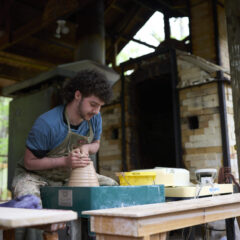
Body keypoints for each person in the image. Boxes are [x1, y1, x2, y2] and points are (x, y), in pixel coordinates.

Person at [12, 69, 118, 205]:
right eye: (93, 104)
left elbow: (96, 144)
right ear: (78, 95)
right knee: (29, 200)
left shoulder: (95, 118)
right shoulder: (47, 123)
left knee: (113, 187)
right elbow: (29, 162)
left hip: (69, 176)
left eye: (100, 106)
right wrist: (65, 162)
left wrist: (87, 147)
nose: (96, 111)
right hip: (34, 176)